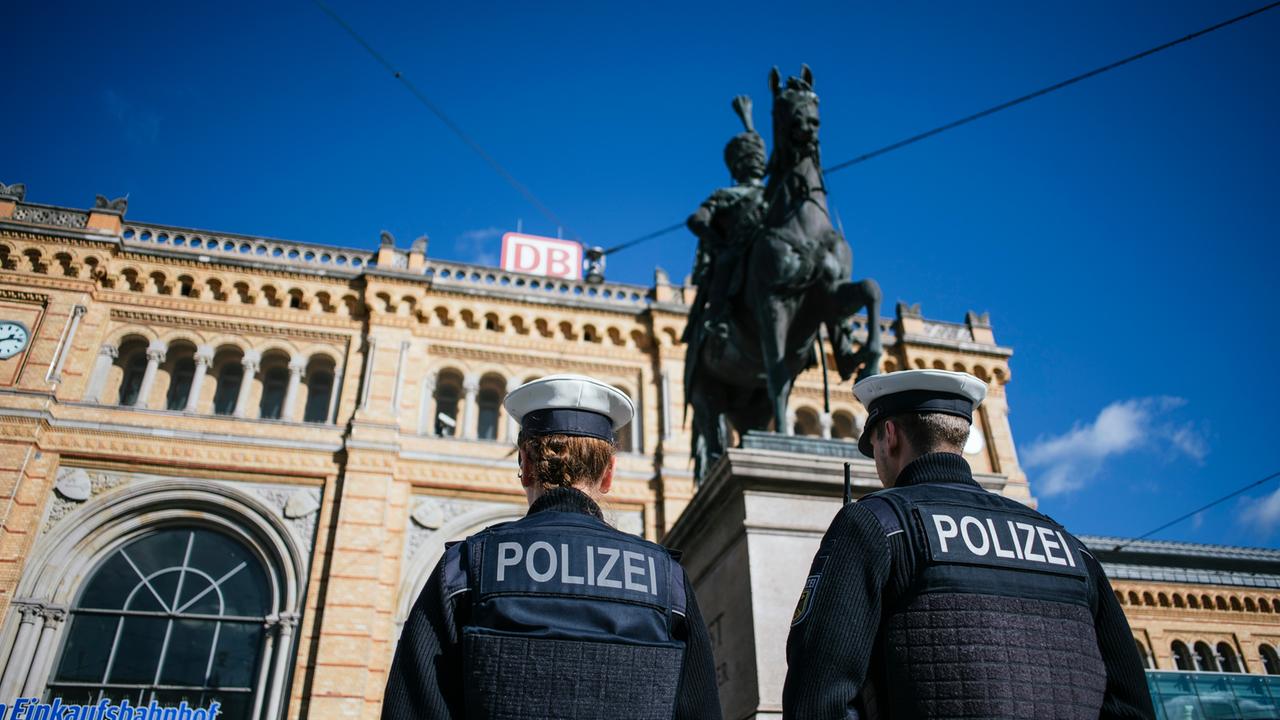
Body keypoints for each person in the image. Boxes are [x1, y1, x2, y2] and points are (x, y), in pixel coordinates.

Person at [782, 369, 1155, 720]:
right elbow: (1130, 704)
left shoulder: (876, 523)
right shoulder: (1069, 546)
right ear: (960, 438)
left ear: (890, 436)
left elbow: (818, 695)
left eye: (874, 443)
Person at [383, 374, 722, 720]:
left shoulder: (466, 567)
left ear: (526, 466)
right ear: (608, 474)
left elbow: (410, 707)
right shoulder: (666, 579)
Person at [684, 94, 768, 344]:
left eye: (757, 158)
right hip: (734, 250)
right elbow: (696, 219)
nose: (754, 162)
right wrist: (718, 243)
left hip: (766, 251)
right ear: (737, 166)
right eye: (747, 159)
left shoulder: (773, 195)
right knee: (727, 262)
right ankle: (717, 319)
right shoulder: (724, 195)